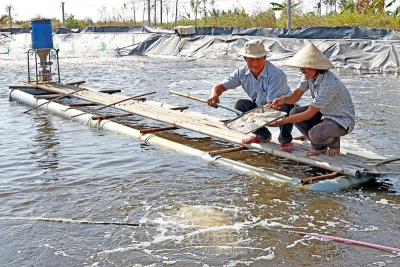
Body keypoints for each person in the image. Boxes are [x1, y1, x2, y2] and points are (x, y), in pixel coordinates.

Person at [268, 43, 355, 157]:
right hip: (325, 114)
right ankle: (319, 146)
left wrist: (281, 121)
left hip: (342, 121)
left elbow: (309, 113)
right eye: (301, 67)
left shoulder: (329, 83)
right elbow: (296, 95)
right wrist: (283, 99)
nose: (302, 70)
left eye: (306, 67)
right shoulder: (308, 76)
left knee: (314, 133)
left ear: (317, 67)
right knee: (294, 112)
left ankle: (334, 143)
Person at [207, 39, 295, 152]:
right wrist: (214, 95)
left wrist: (242, 121)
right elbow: (219, 87)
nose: (255, 63)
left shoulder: (276, 74)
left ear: (265, 58)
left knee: (286, 105)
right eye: (251, 60)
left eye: (259, 59)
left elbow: (273, 105)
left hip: (278, 107)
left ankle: (285, 140)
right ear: (245, 59)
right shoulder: (241, 73)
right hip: (261, 107)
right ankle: (263, 135)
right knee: (240, 105)